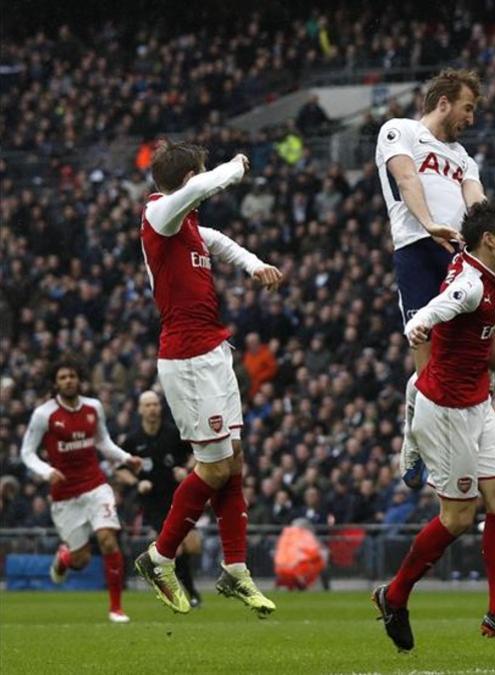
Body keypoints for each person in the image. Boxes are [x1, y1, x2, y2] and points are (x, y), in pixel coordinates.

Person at [372, 198, 495, 653]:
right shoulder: (468, 284)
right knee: (458, 517)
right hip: (445, 411)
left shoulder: (485, 263)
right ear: (489, 240)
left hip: (477, 403)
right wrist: (419, 325)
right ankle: (394, 595)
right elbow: (442, 305)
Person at [133, 141, 283, 617]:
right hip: (188, 359)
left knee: (233, 462)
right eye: (196, 177)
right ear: (186, 179)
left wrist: (254, 264)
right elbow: (202, 185)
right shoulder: (160, 214)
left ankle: (235, 570)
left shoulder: (190, 227)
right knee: (214, 468)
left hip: (214, 352)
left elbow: (221, 242)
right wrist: (234, 168)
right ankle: (160, 558)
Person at [374, 68, 495, 491]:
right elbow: (406, 179)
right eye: (468, 107)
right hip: (419, 250)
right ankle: (417, 442)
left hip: (467, 261)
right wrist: (430, 225)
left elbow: (479, 209)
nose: (471, 117)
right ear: (444, 102)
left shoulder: (463, 158)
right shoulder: (397, 130)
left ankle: (460, 425)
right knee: (430, 366)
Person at [20, 360, 143, 623]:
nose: (68, 381)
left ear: (79, 379)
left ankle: (116, 608)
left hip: (95, 485)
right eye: (62, 377)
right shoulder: (44, 414)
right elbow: (26, 452)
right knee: (81, 560)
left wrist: (126, 458)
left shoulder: (93, 407)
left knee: (108, 539)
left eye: (72, 376)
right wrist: (45, 471)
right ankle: (64, 558)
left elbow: (103, 442)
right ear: (55, 383)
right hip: (65, 496)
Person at [122, 390, 202, 606]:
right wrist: (137, 482)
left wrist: (185, 469)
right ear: (140, 410)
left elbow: (197, 453)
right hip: (154, 504)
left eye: (155, 404)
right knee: (178, 547)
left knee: (194, 546)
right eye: (147, 405)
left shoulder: (173, 433)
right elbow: (120, 469)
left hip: (179, 497)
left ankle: (162, 569)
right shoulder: (132, 440)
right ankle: (192, 593)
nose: (152, 409)